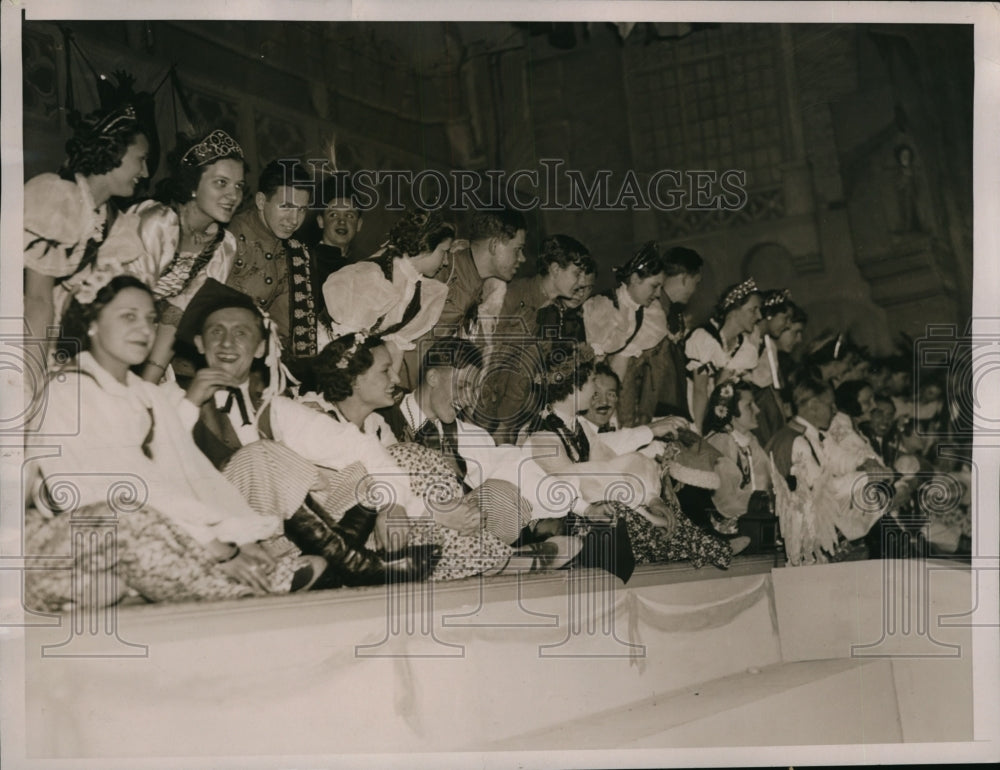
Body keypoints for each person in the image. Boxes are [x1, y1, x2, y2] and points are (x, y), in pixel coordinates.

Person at [27, 276, 326, 610]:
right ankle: (227, 591)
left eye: (150, 319)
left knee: (147, 526)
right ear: (92, 323)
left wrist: (241, 536)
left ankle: (140, 591)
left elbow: (191, 474)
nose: (144, 329)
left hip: (132, 539)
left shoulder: (148, 395)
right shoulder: (68, 391)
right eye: (129, 316)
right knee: (127, 517)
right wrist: (218, 550)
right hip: (65, 544)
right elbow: (119, 490)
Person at [174, 279, 437, 587]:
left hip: (278, 540)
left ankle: (330, 566)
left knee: (362, 475)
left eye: (241, 333)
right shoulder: (171, 400)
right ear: (200, 343)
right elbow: (157, 470)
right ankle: (355, 566)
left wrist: (393, 504)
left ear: (260, 348)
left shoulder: (273, 408)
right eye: (216, 332)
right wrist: (190, 404)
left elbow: (360, 447)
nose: (227, 343)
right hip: (217, 536)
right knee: (258, 454)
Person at [299, 334, 531, 581]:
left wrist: (457, 510)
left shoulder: (377, 426)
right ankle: (491, 560)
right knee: (406, 455)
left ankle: (483, 556)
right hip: (338, 530)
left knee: (492, 492)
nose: (396, 379)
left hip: (400, 521)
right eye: (386, 371)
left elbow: (399, 485)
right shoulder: (315, 415)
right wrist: (435, 511)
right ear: (355, 378)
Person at [522, 346, 736, 573]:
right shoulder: (542, 434)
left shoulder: (579, 426)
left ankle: (700, 545)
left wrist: (650, 499)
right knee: (617, 510)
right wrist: (644, 512)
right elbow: (578, 486)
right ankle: (705, 548)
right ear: (575, 386)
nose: (595, 390)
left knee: (650, 501)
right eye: (593, 381)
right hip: (560, 521)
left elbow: (612, 465)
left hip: (589, 508)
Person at [87, 128, 248, 382]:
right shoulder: (158, 222)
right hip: (100, 330)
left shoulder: (223, 246)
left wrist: (149, 382)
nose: (233, 195)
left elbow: (176, 317)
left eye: (239, 186)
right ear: (193, 185)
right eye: (221, 183)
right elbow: (123, 301)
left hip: (148, 343)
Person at [23, 103, 149, 354]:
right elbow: (38, 299)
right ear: (115, 151)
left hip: (48, 335)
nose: (145, 173)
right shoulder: (56, 197)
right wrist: (34, 374)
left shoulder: (112, 222)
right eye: (141, 159)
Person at [317, 208, 453, 386]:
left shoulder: (419, 290)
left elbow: (394, 345)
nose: (446, 261)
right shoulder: (373, 276)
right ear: (425, 246)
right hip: (328, 354)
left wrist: (390, 383)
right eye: (444, 251)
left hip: (359, 360)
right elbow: (346, 341)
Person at [476, 234, 591, 441]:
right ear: (555, 269)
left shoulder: (553, 312)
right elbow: (486, 359)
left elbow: (531, 374)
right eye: (577, 273)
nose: (582, 282)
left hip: (514, 420)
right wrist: (495, 425)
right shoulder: (511, 295)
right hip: (483, 415)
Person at [401, 208, 528, 384]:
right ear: (494, 245)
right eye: (517, 249)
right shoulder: (443, 270)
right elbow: (408, 337)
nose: (522, 258)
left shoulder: (480, 283)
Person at [225, 159, 317, 360]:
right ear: (261, 201)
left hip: (255, 358)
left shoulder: (294, 251)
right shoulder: (228, 235)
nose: (294, 220)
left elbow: (283, 327)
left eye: (301, 209)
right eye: (286, 207)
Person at [583, 241, 670, 428]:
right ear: (636, 279)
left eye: (660, 287)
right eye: (654, 286)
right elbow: (594, 368)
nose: (658, 294)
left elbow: (623, 363)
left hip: (617, 392)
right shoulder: (604, 307)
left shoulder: (647, 312)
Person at [702, 382, 774, 551]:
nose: (757, 410)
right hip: (728, 532)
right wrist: (766, 506)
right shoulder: (720, 442)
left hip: (755, 521)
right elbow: (726, 501)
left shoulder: (750, 440)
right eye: (749, 405)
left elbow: (770, 480)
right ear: (731, 412)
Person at [685, 278, 762, 430]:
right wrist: (699, 431)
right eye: (753, 310)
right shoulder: (705, 338)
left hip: (713, 412)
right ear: (734, 311)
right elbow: (700, 390)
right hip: (691, 406)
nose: (759, 316)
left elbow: (722, 392)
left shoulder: (744, 347)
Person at [646, 245, 704, 421]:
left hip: (672, 407)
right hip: (654, 410)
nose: (695, 291)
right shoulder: (651, 309)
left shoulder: (674, 313)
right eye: (696, 283)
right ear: (685, 278)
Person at [747, 288, 793, 445]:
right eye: (785, 318)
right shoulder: (748, 340)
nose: (787, 325)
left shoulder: (769, 345)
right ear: (769, 315)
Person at [310, 176, 364, 302]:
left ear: (359, 224)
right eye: (333, 214)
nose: (342, 221)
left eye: (349, 215)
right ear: (321, 221)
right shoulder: (308, 264)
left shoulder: (361, 270)